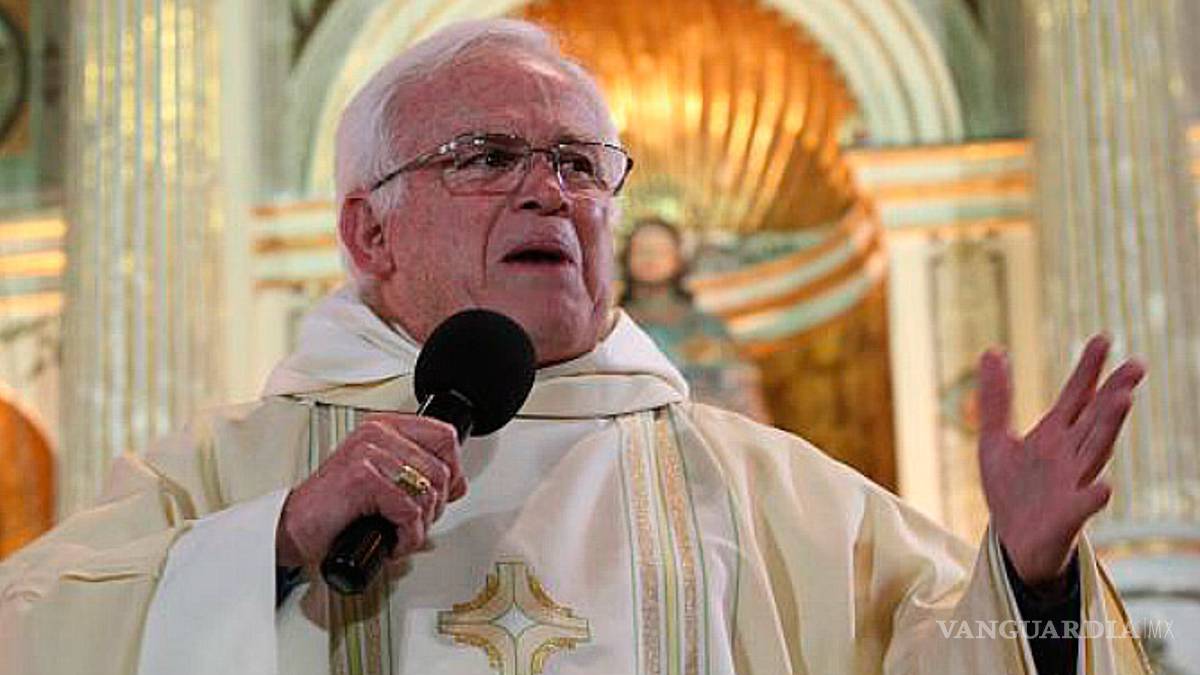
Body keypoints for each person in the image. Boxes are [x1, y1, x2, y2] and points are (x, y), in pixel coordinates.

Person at [0, 19, 1150, 675]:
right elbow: (33, 633)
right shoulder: (235, 469)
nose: (550, 192)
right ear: (368, 232)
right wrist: (279, 542)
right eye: (486, 157)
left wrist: (1032, 579)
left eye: (580, 164)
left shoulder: (768, 491)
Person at [619, 217, 771, 422]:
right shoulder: (612, 326)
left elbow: (741, 390)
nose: (651, 258)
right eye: (642, 250)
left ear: (678, 260)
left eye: (661, 251)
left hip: (704, 426)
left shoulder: (708, 326)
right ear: (626, 258)